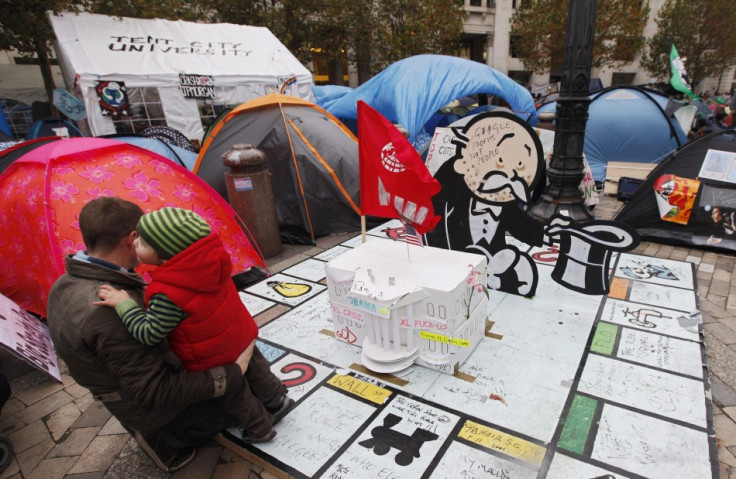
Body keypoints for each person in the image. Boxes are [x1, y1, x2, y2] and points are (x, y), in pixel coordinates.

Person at [45, 198, 280, 472]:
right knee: (247, 394)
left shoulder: (67, 279)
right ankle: (165, 440)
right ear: (133, 240)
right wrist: (228, 375)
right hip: (152, 408)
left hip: (133, 380)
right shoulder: (106, 309)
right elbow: (153, 392)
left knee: (235, 348)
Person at [93, 206, 293, 444]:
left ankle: (259, 428)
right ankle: (277, 401)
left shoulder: (168, 293)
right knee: (255, 367)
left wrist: (125, 304)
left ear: (165, 254)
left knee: (234, 391)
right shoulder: (212, 262)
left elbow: (149, 333)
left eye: (143, 243)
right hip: (239, 334)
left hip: (212, 355)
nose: (134, 244)